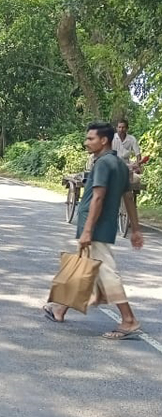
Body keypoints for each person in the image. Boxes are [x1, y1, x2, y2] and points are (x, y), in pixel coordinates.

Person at [43, 122, 145, 340]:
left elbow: (98, 197)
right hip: (103, 226)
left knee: (106, 272)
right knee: (85, 267)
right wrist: (135, 228)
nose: (86, 142)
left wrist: (87, 230)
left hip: (96, 227)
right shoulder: (119, 164)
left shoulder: (102, 164)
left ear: (104, 140)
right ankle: (60, 309)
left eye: (90, 139)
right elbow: (128, 198)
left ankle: (128, 319)